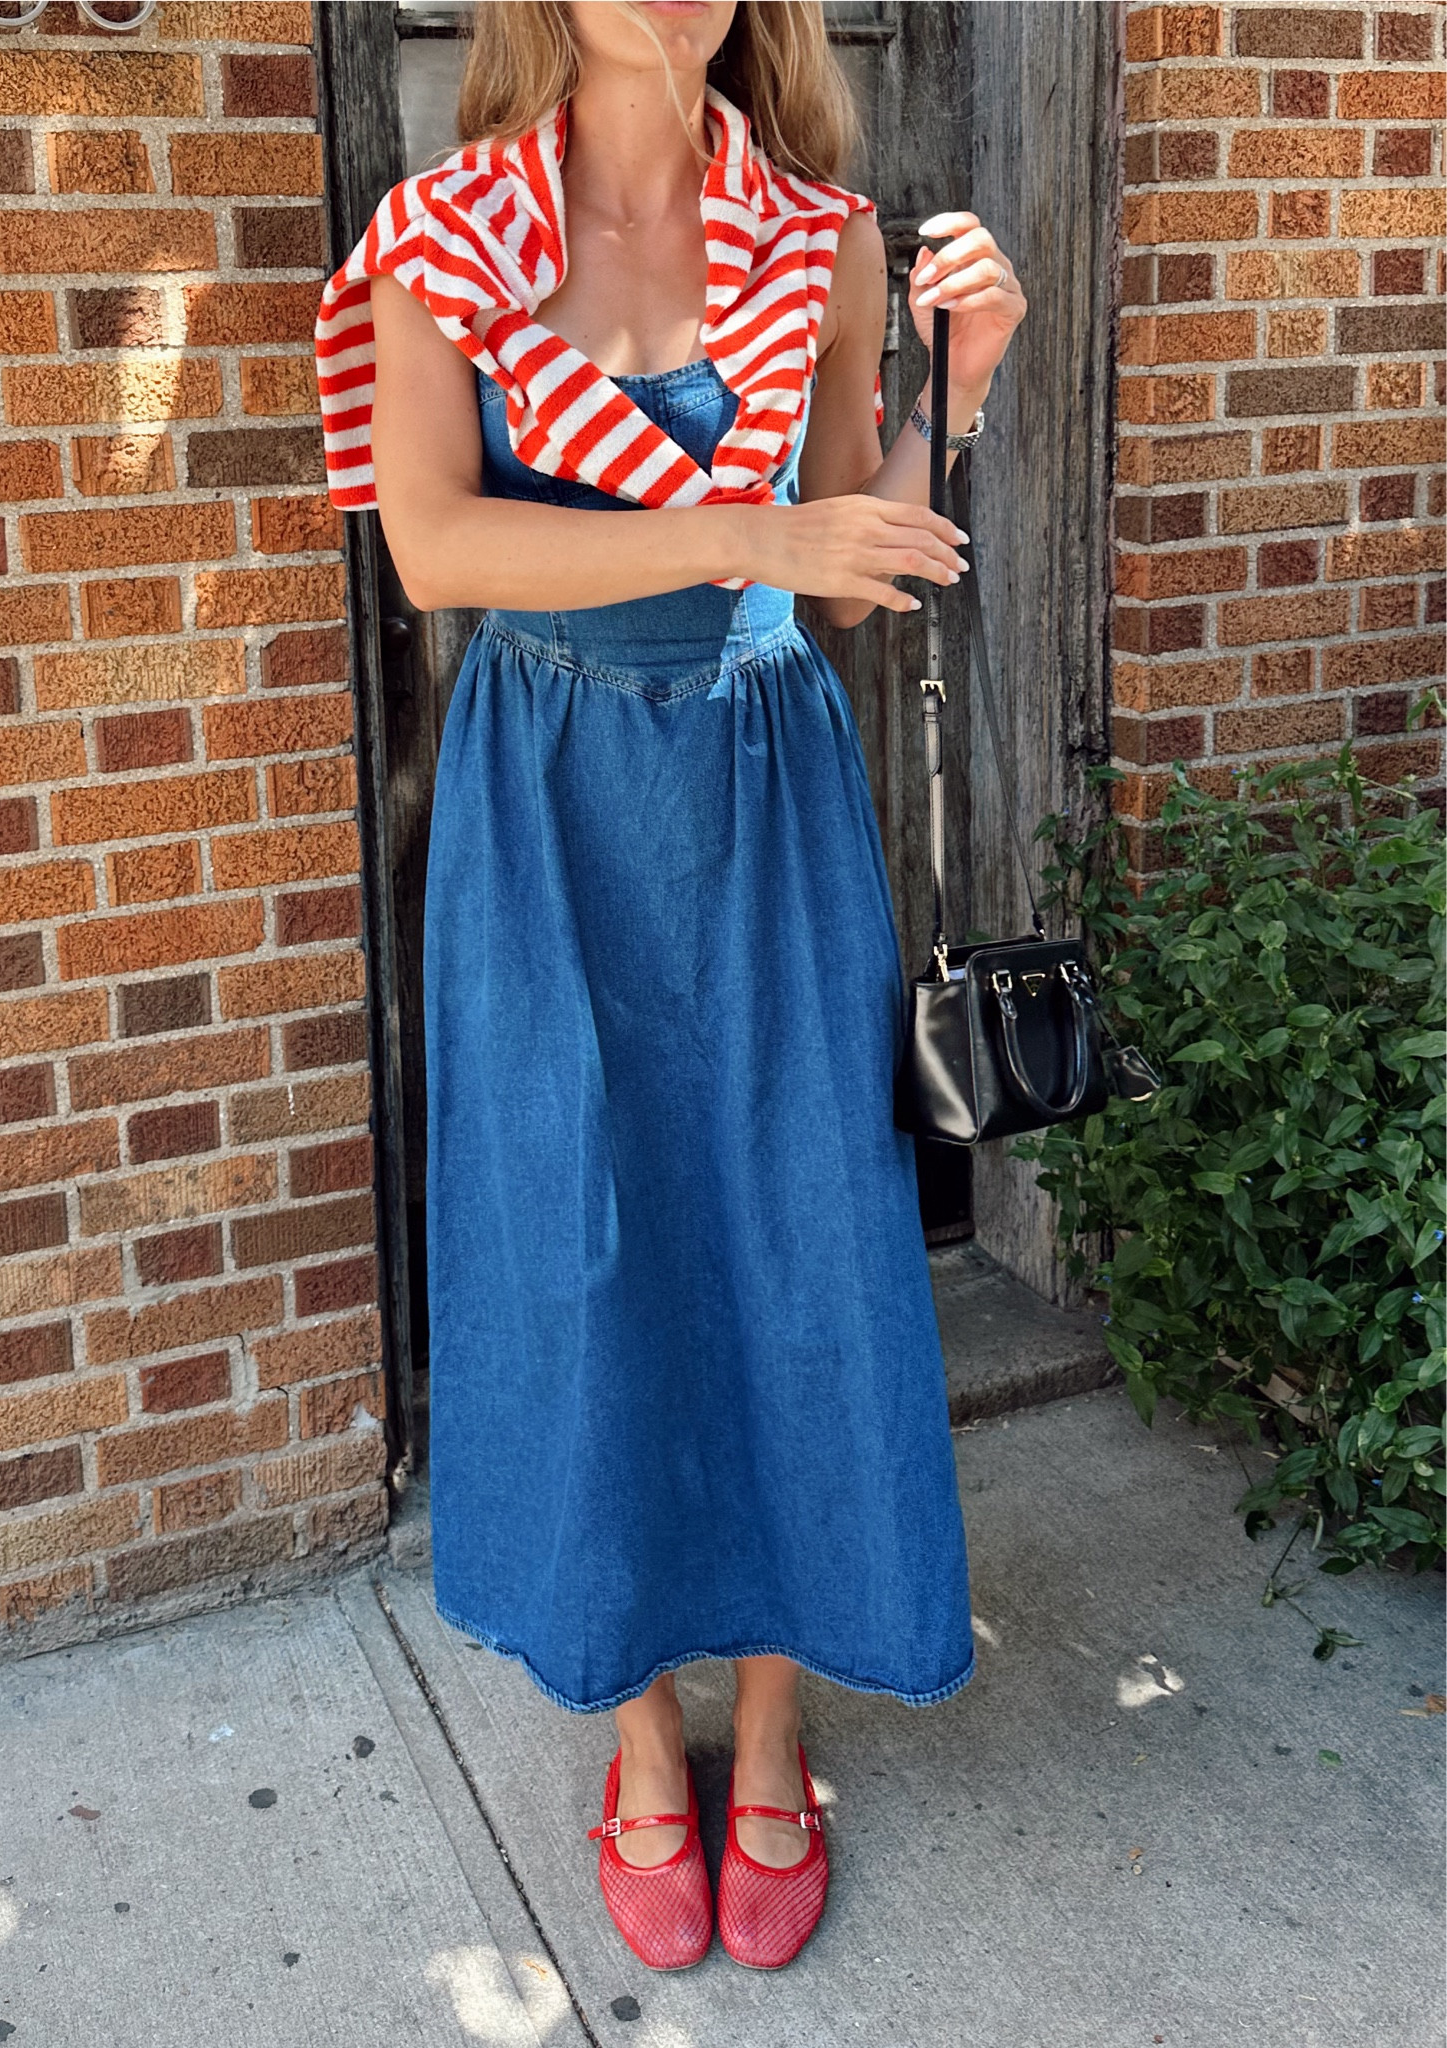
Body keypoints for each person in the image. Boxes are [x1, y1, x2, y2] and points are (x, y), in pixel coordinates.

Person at [316, 0, 1027, 1974]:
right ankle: (640, 1725)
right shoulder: (444, 225)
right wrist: (738, 527)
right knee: (581, 1238)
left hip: (761, 791)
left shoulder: (819, 232)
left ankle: (778, 1726)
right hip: (546, 807)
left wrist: (958, 382)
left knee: (794, 1227)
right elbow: (437, 552)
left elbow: (846, 562)